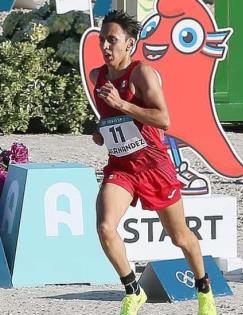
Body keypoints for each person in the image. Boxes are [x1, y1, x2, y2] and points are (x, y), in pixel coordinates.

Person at [90, 10, 216, 315]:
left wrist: (122, 104)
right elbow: (110, 124)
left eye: (112, 40)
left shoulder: (141, 74)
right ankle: (133, 291)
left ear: (130, 43)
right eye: (102, 40)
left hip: (153, 166)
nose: (105, 46)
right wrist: (101, 131)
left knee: (180, 237)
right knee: (105, 227)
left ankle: (204, 289)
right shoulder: (97, 77)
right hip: (121, 167)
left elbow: (163, 119)